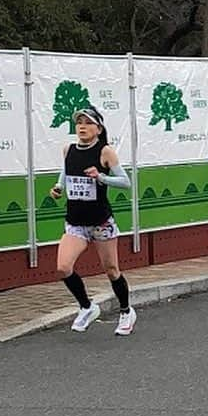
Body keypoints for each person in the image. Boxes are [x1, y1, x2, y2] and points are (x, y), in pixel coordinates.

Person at [50, 106, 136, 336]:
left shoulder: (105, 151)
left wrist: (101, 177)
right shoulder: (68, 149)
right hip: (75, 221)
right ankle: (87, 307)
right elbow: (66, 172)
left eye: (87, 123)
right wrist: (59, 187)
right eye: (79, 122)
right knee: (63, 267)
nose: (82, 127)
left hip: (101, 221)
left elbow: (125, 182)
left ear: (98, 128)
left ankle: (126, 312)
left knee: (111, 270)